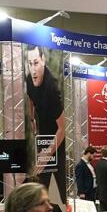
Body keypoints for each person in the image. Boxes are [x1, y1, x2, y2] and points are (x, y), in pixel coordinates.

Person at [24, 45, 67, 203]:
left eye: (36, 63)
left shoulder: (51, 88)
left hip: (58, 141)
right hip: (43, 137)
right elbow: (31, 101)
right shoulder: (29, 79)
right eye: (30, 63)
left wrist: (47, 153)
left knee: (60, 192)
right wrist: (33, 121)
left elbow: (62, 129)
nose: (33, 69)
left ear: (43, 61)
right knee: (39, 186)